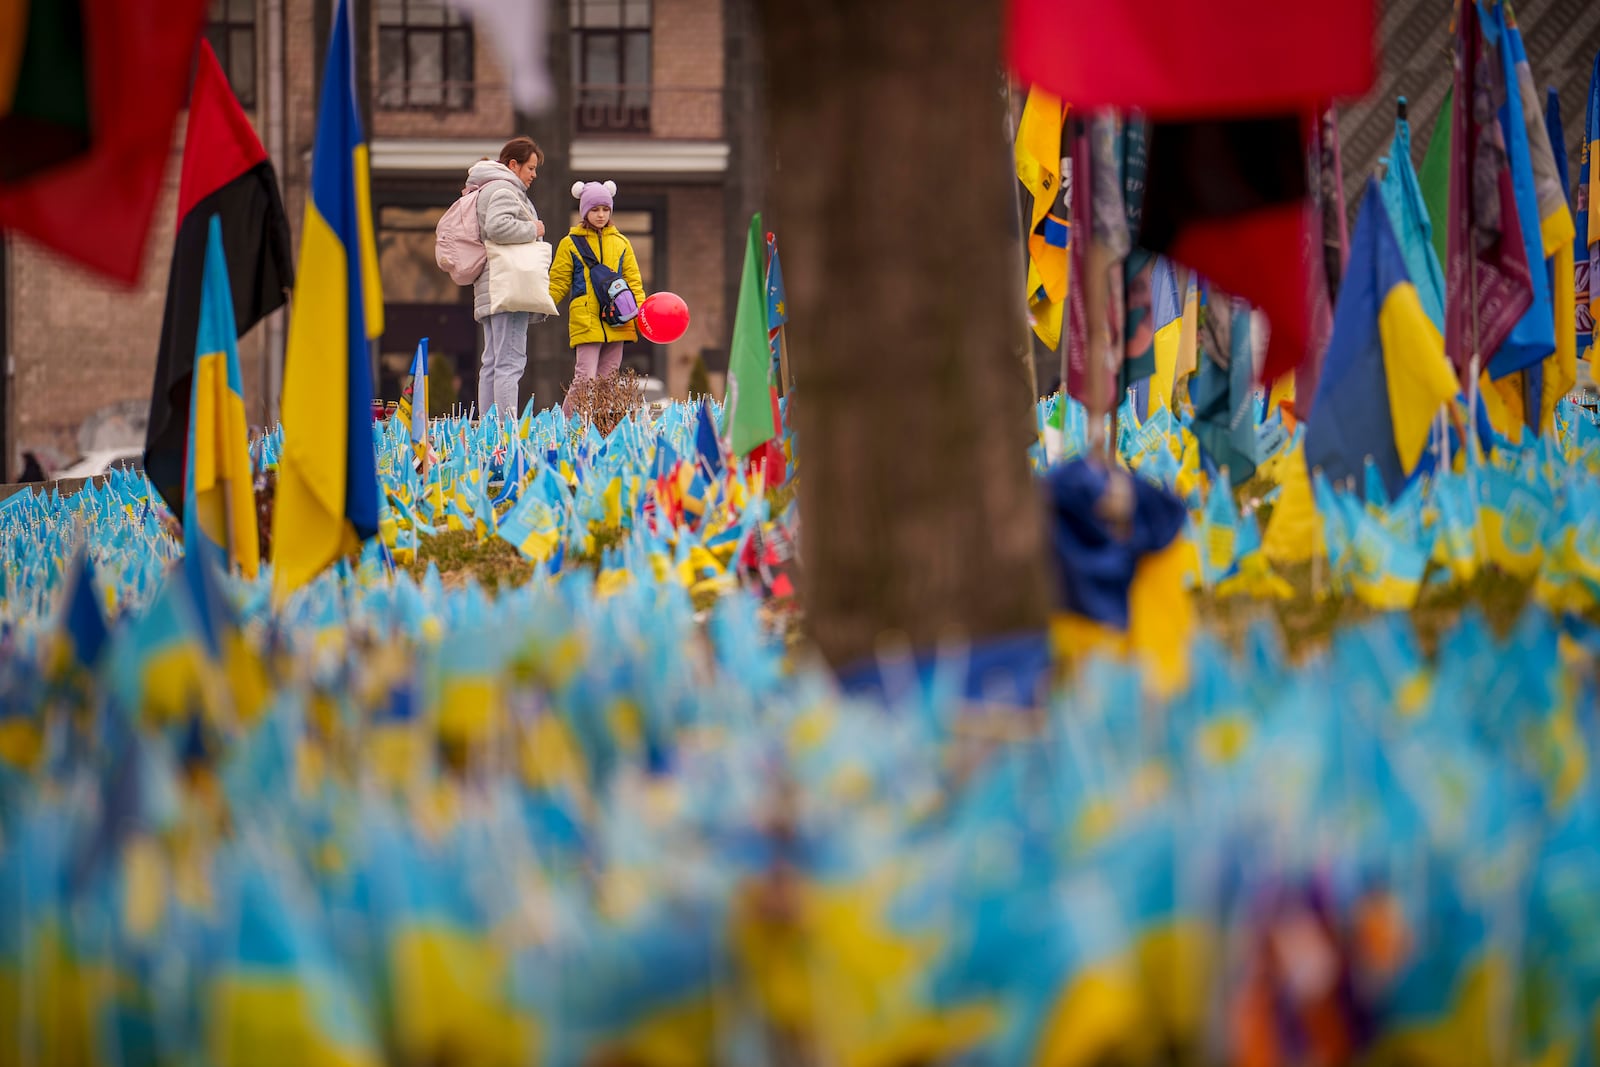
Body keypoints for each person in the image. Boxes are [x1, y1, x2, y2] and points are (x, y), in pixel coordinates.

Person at [548, 180, 647, 416]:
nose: (601, 215)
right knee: (584, 377)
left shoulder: (622, 243)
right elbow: (558, 281)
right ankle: (565, 427)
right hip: (587, 319)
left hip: (619, 319)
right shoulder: (570, 244)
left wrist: (641, 314)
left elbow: (633, 282)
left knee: (608, 379)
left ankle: (599, 426)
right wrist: (542, 304)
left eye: (605, 209)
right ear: (584, 211)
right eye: (594, 209)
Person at [467, 136, 546, 422]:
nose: (534, 175)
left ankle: (489, 430)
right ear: (513, 164)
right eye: (531, 168)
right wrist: (533, 228)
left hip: (493, 286)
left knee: (491, 362)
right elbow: (498, 227)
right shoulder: (504, 189)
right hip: (509, 287)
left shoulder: (487, 187)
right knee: (510, 363)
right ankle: (506, 431)